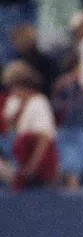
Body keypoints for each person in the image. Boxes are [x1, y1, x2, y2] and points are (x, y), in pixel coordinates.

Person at [1, 61, 59, 191]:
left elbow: (43, 139)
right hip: (18, 156)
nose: (13, 90)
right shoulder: (12, 102)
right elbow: (10, 132)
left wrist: (31, 167)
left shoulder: (39, 102)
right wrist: (18, 111)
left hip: (38, 159)